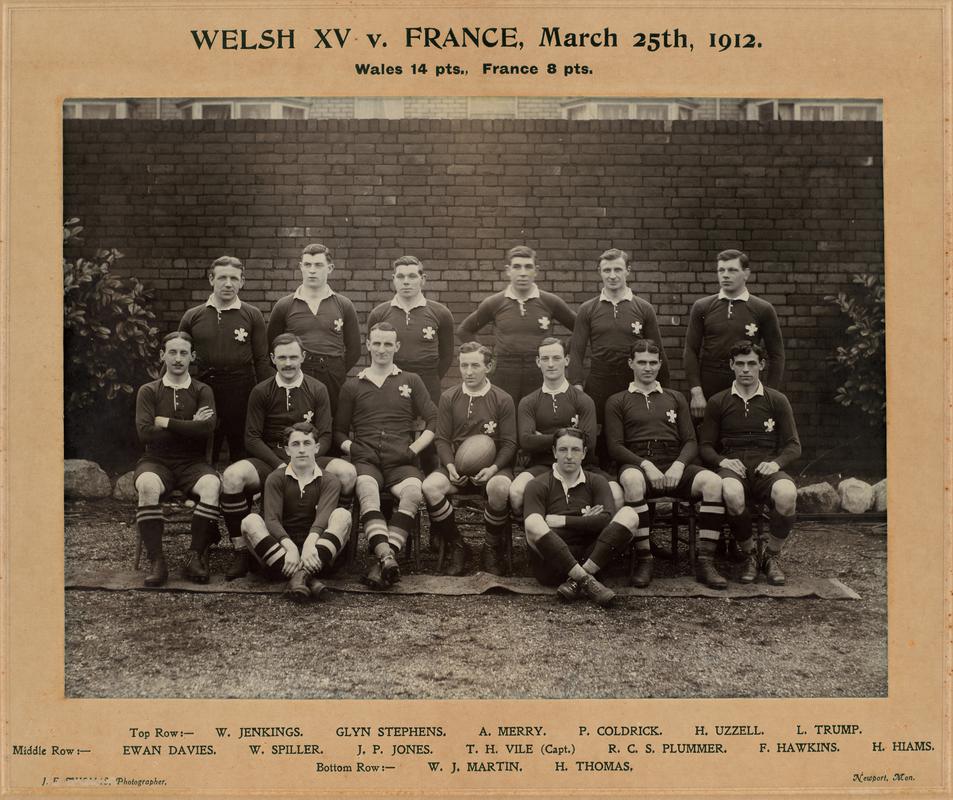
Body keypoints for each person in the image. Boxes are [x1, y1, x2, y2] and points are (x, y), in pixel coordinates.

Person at [218, 333, 356, 580]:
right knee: (231, 477)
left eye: (294, 357)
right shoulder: (261, 391)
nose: (288, 363)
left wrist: (307, 457)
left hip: (308, 453)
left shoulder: (317, 388)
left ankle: (333, 545)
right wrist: (281, 465)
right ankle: (241, 551)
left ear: (303, 357)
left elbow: (324, 435)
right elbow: (251, 437)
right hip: (272, 457)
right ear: (273, 359)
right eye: (282, 358)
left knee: (347, 473)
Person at [603, 339, 727, 589]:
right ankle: (645, 558)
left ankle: (705, 561)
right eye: (641, 363)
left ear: (660, 365)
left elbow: (691, 440)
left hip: (673, 464)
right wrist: (645, 464)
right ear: (631, 364)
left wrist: (679, 465)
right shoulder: (617, 400)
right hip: (639, 462)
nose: (647, 368)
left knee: (714, 482)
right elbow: (615, 446)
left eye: (652, 362)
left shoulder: (675, 397)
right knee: (631, 480)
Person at [334, 322, 438, 589]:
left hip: (401, 462)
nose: (382, 349)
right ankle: (387, 557)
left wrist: (413, 449)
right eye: (376, 343)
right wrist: (353, 449)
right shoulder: (353, 385)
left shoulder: (411, 380)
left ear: (397, 347)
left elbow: (434, 420)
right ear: (368, 345)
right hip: (367, 461)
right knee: (367, 488)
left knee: (414, 492)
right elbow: (338, 432)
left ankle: (382, 556)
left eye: (387, 344)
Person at [699, 340, 801, 585]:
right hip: (733, 468)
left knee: (787, 494)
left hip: (766, 466)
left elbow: (793, 446)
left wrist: (776, 464)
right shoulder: (718, 401)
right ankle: (751, 555)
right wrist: (723, 460)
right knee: (731, 491)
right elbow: (704, 447)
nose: (746, 369)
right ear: (732, 365)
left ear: (762, 365)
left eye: (751, 364)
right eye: (740, 364)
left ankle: (770, 556)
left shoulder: (776, 400)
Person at [133, 331, 221, 587]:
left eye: (184, 353)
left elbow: (207, 429)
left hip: (192, 462)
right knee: (148, 484)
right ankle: (157, 560)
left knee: (212, 485)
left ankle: (194, 556)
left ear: (192, 356)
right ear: (162, 355)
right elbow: (145, 433)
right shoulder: (148, 391)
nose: (178, 358)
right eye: (172, 352)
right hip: (155, 460)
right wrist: (190, 424)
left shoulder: (203, 390)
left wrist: (167, 423)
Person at [422, 343, 517, 576]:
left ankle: (491, 546)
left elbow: (510, 443)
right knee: (430, 486)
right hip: (456, 465)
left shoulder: (503, 399)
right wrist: (451, 465)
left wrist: (493, 468)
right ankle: (456, 544)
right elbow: (442, 439)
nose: (469, 371)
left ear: (489, 367)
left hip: (493, 467)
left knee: (501, 487)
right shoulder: (449, 397)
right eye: (464, 365)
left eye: (475, 365)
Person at [568, 248, 669, 464]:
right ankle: (602, 478)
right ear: (600, 272)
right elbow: (576, 351)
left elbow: (658, 350)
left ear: (628, 271)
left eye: (617, 269)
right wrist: (577, 386)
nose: (612, 275)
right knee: (598, 433)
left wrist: (665, 389)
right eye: (607, 270)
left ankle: (631, 474)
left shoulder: (643, 308)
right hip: (599, 381)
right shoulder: (588, 309)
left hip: (631, 379)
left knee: (631, 428)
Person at [522, 428, 638, 606]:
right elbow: (536, 529)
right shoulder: (537, 484)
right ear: (554, 452)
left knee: (630, 515)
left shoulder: (597, 481)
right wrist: (587, 521)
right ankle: (587, 580)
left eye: (575, 450)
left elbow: (606, 520)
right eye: (563, 450)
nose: (569, 456)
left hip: (592, 558)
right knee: (533, 521)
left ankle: (578, 580)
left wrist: (563, 520)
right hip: (553, 565)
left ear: (584, 453)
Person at [239, 423, 351, 602]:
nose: (301, 450)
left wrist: (309, 545)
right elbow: (272, 519)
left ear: (316, 448)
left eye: (307, 443)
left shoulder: (329, 480)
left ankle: (300, 576)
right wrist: (290, 548)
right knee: (250, 521)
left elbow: (323, 517)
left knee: (343, 516)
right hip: (282, 555)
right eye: (295, 444)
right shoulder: (276, 478)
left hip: (317, 554)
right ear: (287, 450)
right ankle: (306, 578)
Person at [177, 255, 271, 463]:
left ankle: (243, 493)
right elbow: (178, 355)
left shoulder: (252, 314)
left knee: (242, 447)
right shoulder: (193, 316)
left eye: (234, 278)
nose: (228, 284)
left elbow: (262, 360)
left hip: (241, 389)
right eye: (222, 278)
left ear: (242, 282)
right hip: (205, 389)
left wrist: (267, 396)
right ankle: (203, 489)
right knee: (205, 445)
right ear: (211, 279)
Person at [456, 245, 575, 404]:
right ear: (508, 270)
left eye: (528, 267)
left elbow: (580, 328)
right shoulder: (495, 302)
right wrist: (485, 357)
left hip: (538, 371)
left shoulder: (549, 301)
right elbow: (464, 330)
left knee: (537, 420)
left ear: (536, 271)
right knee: (505, 419)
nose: (523, 273)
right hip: (504, 372)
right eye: (517, 267)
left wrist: (560, 353)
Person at [684, 249, 785, 420]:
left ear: (746, 274)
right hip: (710, 385)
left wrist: (769, 394)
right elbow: (691, 350)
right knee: (708, 438)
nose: (725, 275)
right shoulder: (702, 307)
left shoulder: (763, 309)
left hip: (747, 384)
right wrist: (696, 392)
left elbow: (777, 355)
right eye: (721, 270)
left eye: (732, 270)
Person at [266, 243, 361, 416]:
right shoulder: (284, 305)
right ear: (301, 267)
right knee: (297, 425)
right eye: (307, 265)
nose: (312, 270)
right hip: (297, 373)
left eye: (318, 265)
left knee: (330, 425)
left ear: (330, 268)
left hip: (332, 376)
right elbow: (270, 347)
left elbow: (354, 349)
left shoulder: (344, 305)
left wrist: (335, 369)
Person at [509, 337, 598, 514]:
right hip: (542, 465)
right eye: (545, 359)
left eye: (556, 358)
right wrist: (572, 434)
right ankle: (534, 531)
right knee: (516, 492)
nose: (550, 364)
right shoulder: (529, 402)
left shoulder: (583, 399)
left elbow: (589, 441)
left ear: (567, 360)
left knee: (616, 494)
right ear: (538, 362)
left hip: (581, 465)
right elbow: (526, 441)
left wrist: (544, 438)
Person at [365, 255, 455, 404]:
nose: (406, 282)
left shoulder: (441, 313)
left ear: (423, 279)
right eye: (400, 276)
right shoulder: (379, 313)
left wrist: (430, 377)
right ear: (394, 279)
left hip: (428, 383)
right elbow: (373, 354)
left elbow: (447, 356)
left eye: (412, 276)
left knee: (429, 424)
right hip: (391, 381)